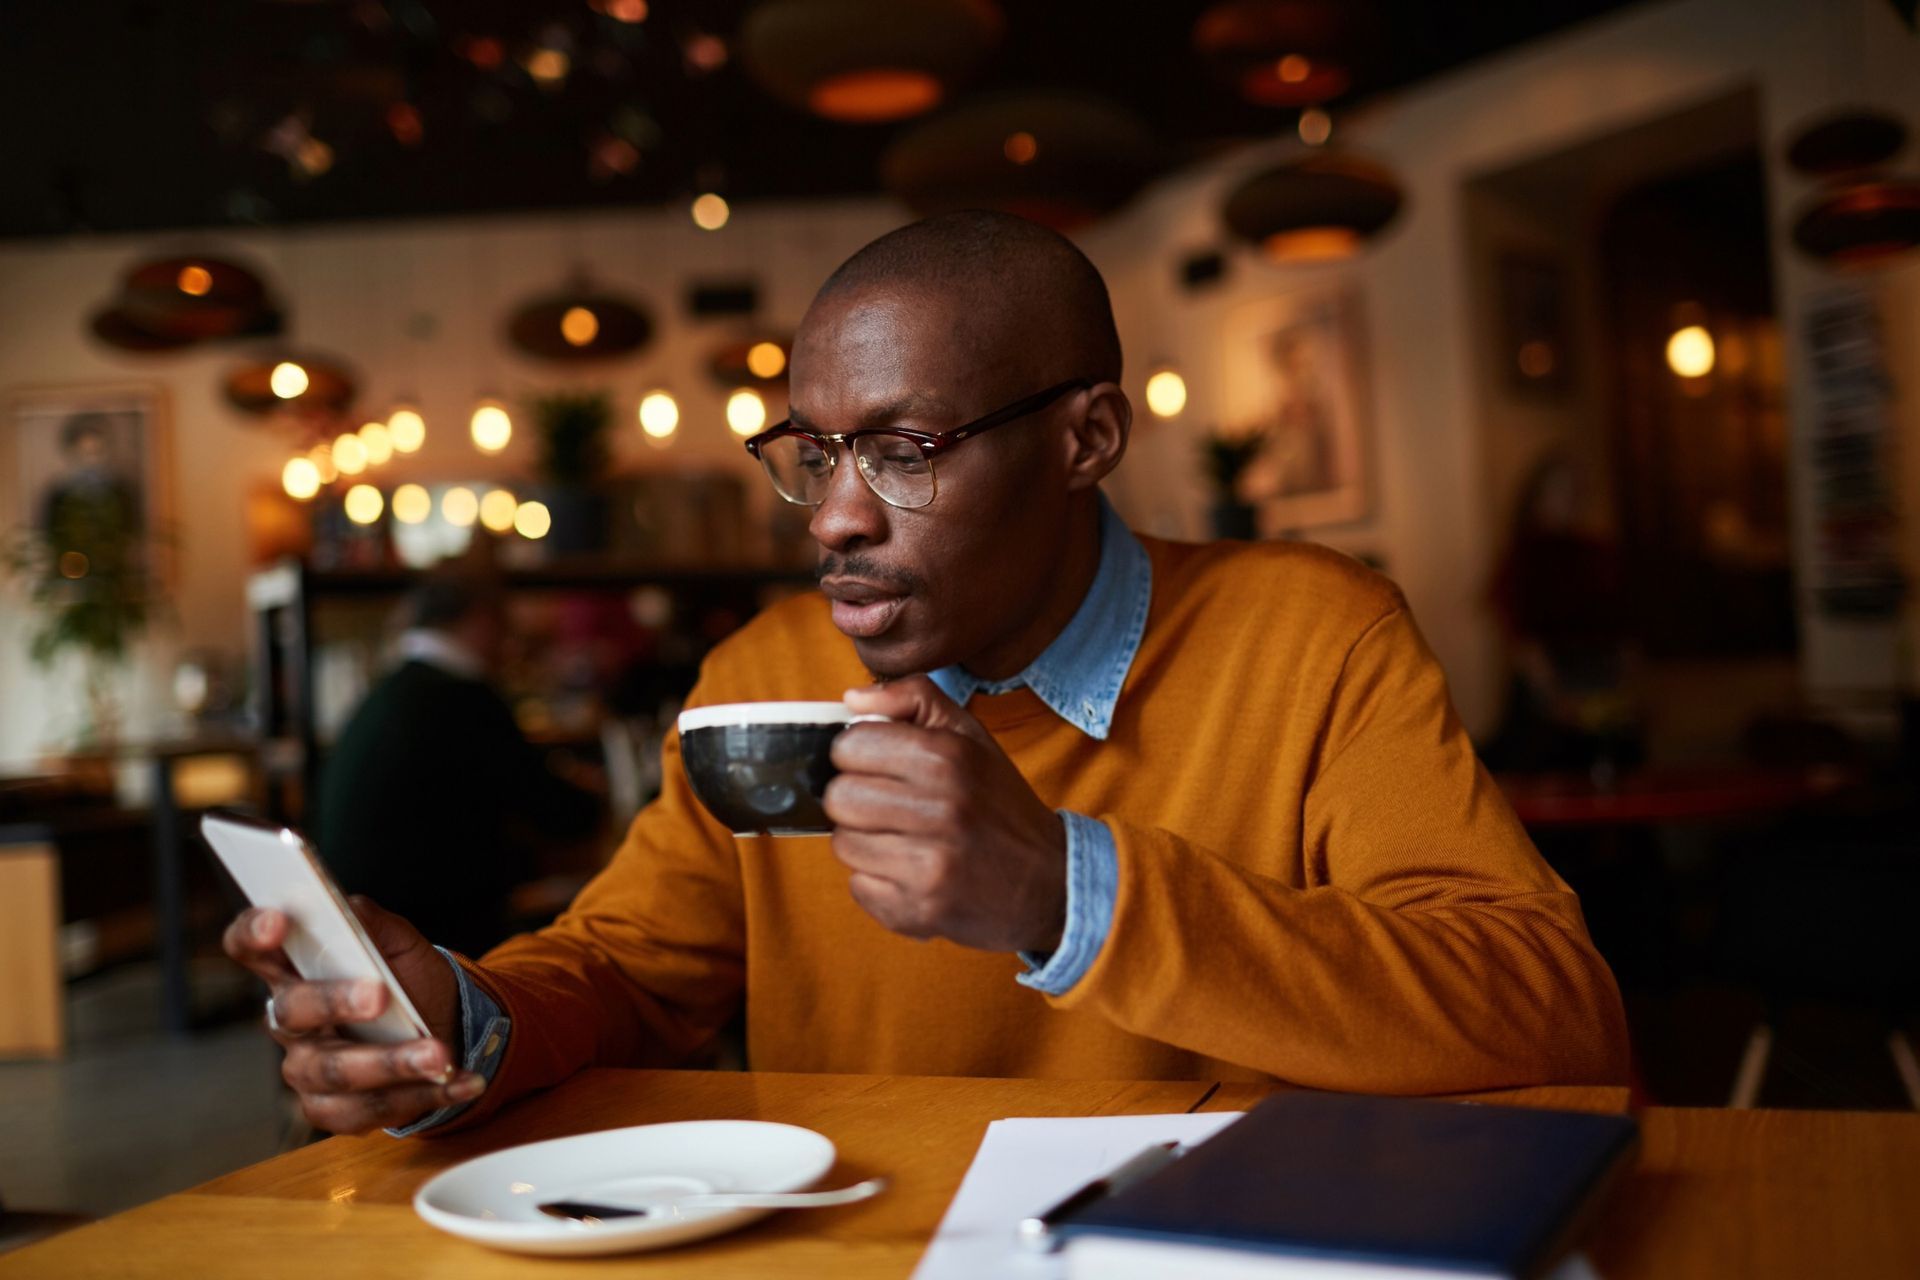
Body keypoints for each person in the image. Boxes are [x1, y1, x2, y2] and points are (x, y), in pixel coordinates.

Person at [226, 212, 1630, 1136]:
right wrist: (455, 1021)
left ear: (1085, 439)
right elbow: (628, 977)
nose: (837, 515)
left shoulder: (1312, 636)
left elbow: (1545, 1003)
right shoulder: (763, 676)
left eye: (905, 451)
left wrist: (1069, 890)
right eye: (815, 454)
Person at [315, 566, 603, 957]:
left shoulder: (390, 690)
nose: (509, 643)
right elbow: (562, 815)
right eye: (505, 627)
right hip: (425, 941)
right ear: (482, 619)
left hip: (355, 929)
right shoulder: (463, 696)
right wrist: (602, 791)